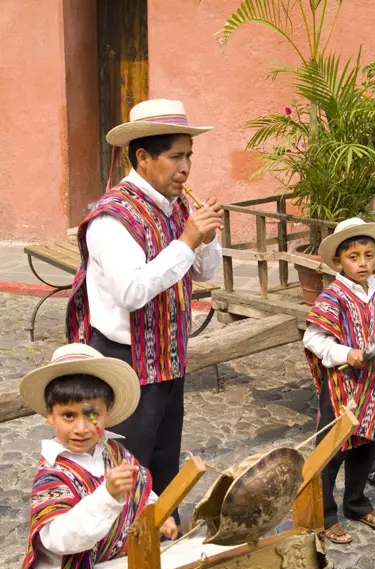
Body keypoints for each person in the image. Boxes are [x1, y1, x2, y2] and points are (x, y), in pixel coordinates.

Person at [66, 99, 223, 526]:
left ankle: (162, 548)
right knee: (125, 465)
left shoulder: (175, 209)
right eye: (176, 156)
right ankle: (119, 554)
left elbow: (208, 273)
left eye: (189, 156)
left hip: (169, 356)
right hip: (124, 362)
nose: (186, 168)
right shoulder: (111, 219)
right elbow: (133, 291)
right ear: (143, 157)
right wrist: (187, 241)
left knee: (164, 459)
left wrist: (205, 237)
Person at [7, 343, 178, 569]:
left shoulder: (115, 452)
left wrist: (161, 514)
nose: (81, 428)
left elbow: (142, 489)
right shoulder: (52, 474)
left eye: (91, 415)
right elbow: (60, 538)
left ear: (107, 413)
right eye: (68, 416)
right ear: (50, 416)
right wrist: (107, 496)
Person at [303, 218, 375, 544]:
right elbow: (314, 339)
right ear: (339, 261)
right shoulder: (332, 296)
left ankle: (355, 503)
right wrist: (349, 354)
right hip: (342, 387)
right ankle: (323, 514)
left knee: (367, 444)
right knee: (331, 451)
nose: (363, 262)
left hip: (372, 384)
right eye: (354, 256)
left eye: (369, 255)